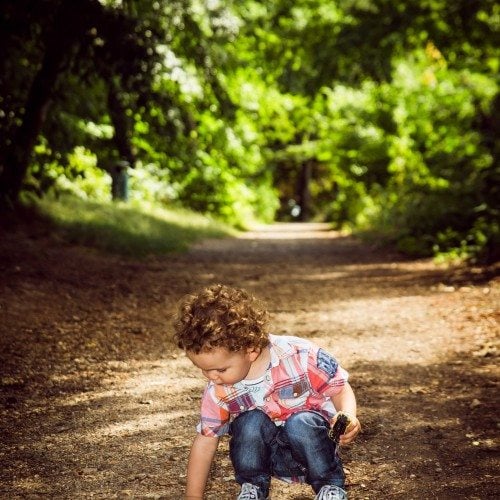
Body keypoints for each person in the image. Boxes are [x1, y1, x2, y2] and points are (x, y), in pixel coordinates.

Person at [173, 284, 361, 500]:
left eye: (220, 369)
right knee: (249, 422)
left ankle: (330, 486)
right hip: (267, 457)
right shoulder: (219, 390)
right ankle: (253, 487)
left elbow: (339, 387)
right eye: (203, 370)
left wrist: (348, 414)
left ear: (250, 350)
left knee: (302, 422)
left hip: (312, 450)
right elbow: (206, 440)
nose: (211, 377)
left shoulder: (299, 355)